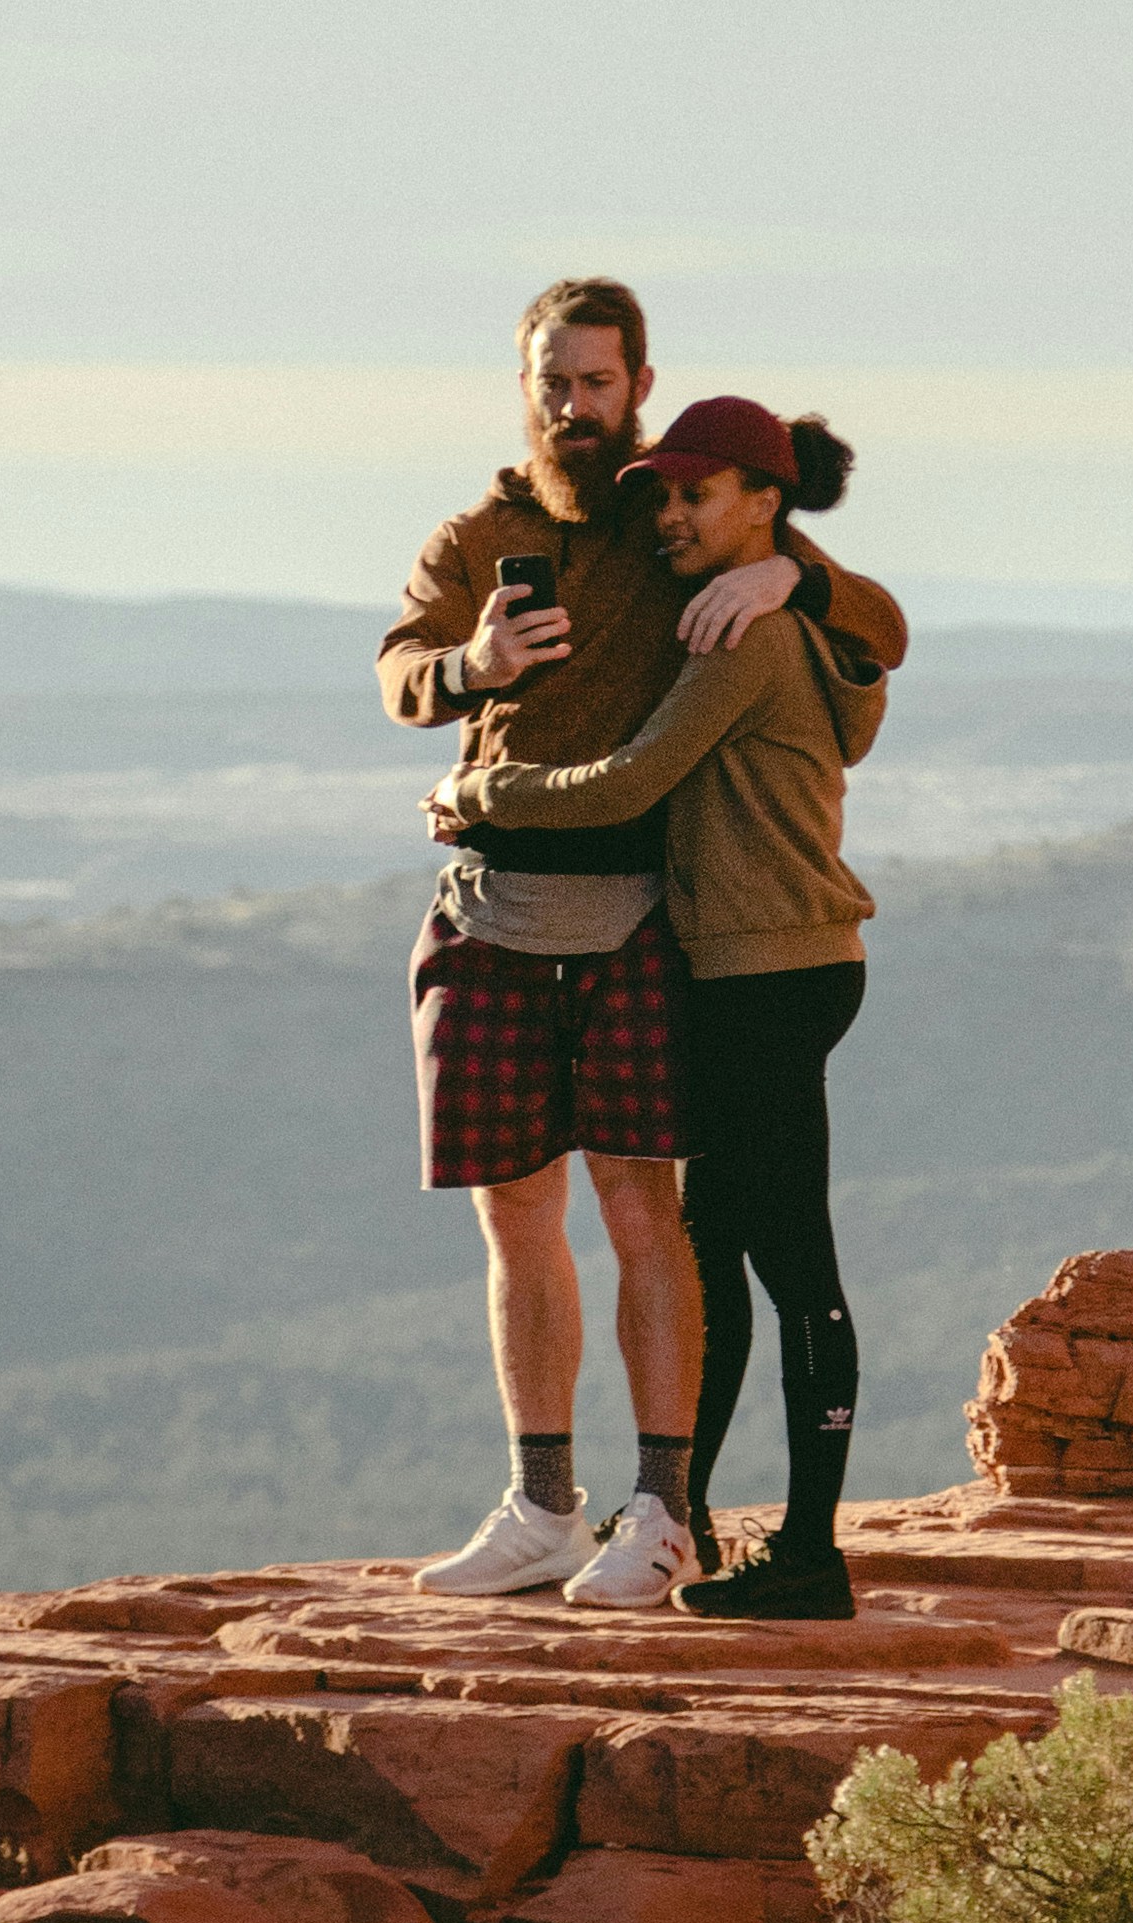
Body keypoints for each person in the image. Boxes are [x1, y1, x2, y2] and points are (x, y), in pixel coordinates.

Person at [381, 281, 906, 1607]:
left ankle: (672, 1513)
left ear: (639, 385)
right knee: (521, 1220)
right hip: (491, 914)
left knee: (647, 1214)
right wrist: (469, 668)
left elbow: (877, 630)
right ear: (523, 387)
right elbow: (395, 671)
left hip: (640, 918)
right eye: (553, 382)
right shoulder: (474, 536)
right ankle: (546, 1507)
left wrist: (795, 565)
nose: (575, 407)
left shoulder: (666, 521)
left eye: (598, 384)